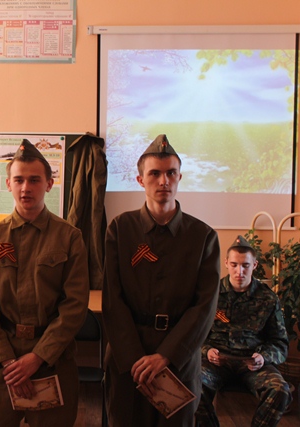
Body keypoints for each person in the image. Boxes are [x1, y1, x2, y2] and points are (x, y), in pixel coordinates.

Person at [103, 134, 221, 426]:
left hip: (179, 359)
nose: (163, 181)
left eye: (170, 173)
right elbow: (112, 298)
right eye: (154, 173)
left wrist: (166, 356)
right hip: (128, 359)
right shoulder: (120, 229)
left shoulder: (203, 236)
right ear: (140, 180)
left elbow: (205, 307)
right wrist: (135, 359)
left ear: (179, 177)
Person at [0, 140, 90, 426]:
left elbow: (74, 306)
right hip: (1, 363)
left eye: (34, 180)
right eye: (19, 180)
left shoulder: (69, 237)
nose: (26, 188)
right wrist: (8, 361)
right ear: (9, 184)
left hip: (52, 359)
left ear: (49, 184)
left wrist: (38, 356)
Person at [195, 235, 292, 427]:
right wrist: (207, 350)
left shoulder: (267, 298)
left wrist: (263, 357)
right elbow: (195, 336)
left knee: (280, 390)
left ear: (254, 265)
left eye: (245, 265)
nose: (239, 271)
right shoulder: (210, 294)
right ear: (226, 263)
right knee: (192, 385)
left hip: (253, 364)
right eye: (234, 265)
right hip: (216, 362)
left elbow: (280, 343)